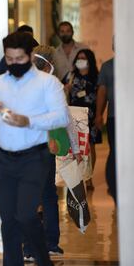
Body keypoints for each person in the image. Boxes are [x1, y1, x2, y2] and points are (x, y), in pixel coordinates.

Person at [0, 32, 69, 266]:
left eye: (19, 59)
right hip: (3, 160)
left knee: (26, 215)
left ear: (29, 57)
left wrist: (29, 121)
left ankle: (42, 258)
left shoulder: (48, 84)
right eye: (9, 59)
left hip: (34, 158)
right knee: (8, 220)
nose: (14, 63)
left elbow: (61, 117)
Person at [22, 45, 82, 262]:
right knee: (47, 195)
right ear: (49, 64)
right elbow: (67, 120)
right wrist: (75, 148)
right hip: (47, 148)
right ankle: (50, 244)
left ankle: (28, 247)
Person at [63, 49, 101, 190]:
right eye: (78, 57)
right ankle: (76, 177)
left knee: (90, 147)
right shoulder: (70, 76)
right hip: (73, 116)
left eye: (83, 58)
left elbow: (101, 96)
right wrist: (65, 88)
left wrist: (98, 115)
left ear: (89, 60)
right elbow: (59, 89)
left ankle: (88, 176)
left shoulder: (96, 77)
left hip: (90, 116)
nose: (80, 60)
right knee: (75, 146)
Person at [95, 50, 116, 203]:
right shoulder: (108, 66)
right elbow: (102, 92)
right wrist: (98, 114)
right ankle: (114, 185)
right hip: (114, 116)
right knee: (114, 150)